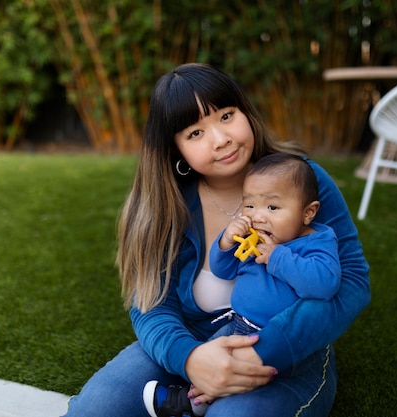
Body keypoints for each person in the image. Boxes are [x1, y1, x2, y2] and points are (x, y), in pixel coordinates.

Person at [62, 63, 370, 417]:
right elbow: (150, 302)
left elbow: (351, 282)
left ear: (246, 112)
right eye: (195, 133)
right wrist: (190, 358)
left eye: (226, 115)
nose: (221, 139)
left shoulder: (300, 180)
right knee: (95, 410)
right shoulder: (165, 204)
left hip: (284, 355)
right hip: (194, 337)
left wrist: (261, 352)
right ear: (175, 149)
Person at [143, 152, 343, 417]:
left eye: (272, 208)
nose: (258, 217)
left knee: (237, 371)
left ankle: (190, 403)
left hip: (280, 337)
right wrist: (226, 242)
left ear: (308, 212)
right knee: (210, 358)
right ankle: (193, 399)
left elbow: (324, 284)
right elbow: (223, 270)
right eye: (249, 206)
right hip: (238, 324)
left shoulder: (317, 241)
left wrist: (277, 257)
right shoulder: (252, 237)